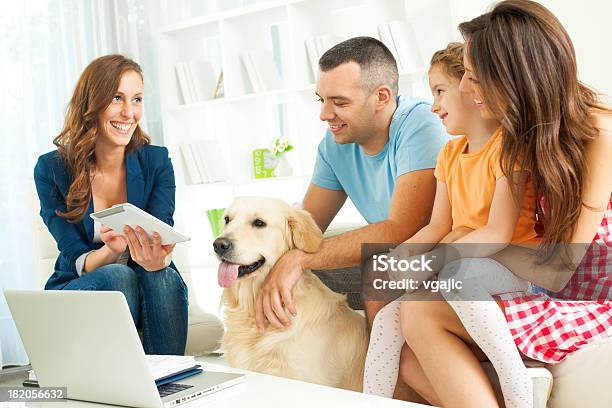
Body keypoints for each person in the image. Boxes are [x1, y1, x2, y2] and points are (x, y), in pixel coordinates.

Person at [395, 1, 612, 407]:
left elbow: (557, 271)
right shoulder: (524, 137)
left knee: (422, 314)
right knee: (407, 356)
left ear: (516, 77)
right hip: (539, 286)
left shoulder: (599, 133)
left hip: (585, 297)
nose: (463, 89)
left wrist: (454, 250)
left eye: (474, 79)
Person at [363, 41, 541, 407]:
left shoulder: (508, 147)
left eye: (440, 91)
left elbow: (498, 233)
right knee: (386, 321)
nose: (434, 106)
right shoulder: (449, 154)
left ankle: (519, 385)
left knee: (458, 274)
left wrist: (435, 261)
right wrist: (400, 258)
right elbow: (437, 226)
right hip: (466, 263)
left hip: (514, 267)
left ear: (472, 90)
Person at [34, 54, 188, 355]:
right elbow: (74, 255)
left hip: (148, 280)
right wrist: (111, 250)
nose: (129, 113)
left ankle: (169, 383)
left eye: (137, 99)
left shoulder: (156, 162)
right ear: (92, 103)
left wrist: (158, 258)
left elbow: (159, 231)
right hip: (81, 284)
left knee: (161, 275)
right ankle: (122, 380)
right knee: (120, 275)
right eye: (117, 98)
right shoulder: (52, 169)